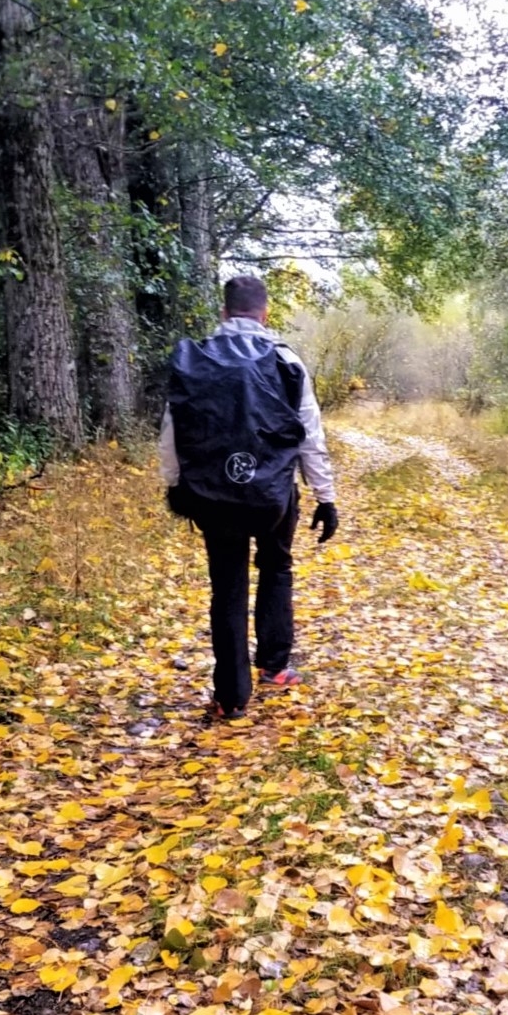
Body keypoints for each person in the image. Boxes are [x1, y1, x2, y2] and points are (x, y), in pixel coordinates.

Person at [158, 274, 339, 720]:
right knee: (276, 568)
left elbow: (171, 432)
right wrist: (325, 496)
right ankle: (274, 667)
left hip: (214, 495)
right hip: (275, 494)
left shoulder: (196, 360)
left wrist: (176, 486)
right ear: (266, 313)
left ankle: (231, 696)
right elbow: (309, 436)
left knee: (228, 588)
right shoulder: (286, 360)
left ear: (223, 313)